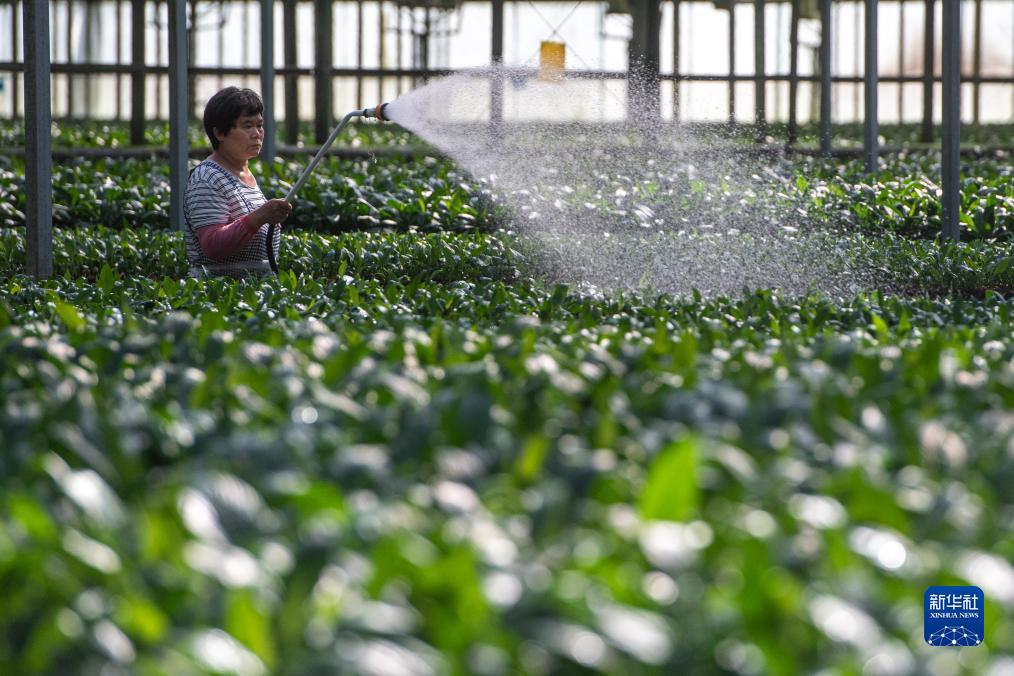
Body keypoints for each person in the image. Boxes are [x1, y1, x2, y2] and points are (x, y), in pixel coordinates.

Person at [184, 87, 292, 278]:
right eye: (247, 126)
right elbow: (213, 245)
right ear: (220, 133)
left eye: (259, 125)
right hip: (219, 297)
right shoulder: (207, 178)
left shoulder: (244, 173)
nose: (257, 133)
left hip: (251, 292)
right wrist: (259, 217)